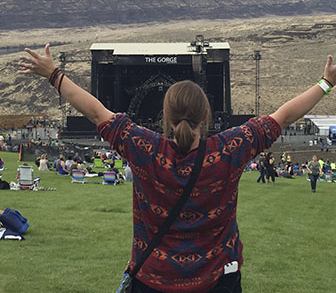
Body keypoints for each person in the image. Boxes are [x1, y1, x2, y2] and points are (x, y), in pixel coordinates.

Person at [18, 45, 336, 293]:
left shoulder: (144, 149)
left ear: (166, 117)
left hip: (153, 278)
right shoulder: (231, 149)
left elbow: (96, 113)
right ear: (206, 116)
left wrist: (54, 74)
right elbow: (282, 117)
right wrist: (326, 83)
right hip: (219, 279)